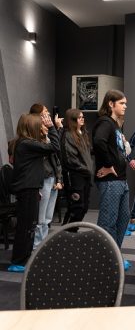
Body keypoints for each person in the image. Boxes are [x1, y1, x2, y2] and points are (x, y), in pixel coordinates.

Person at [8, 113, 59, 272]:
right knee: (26, 227)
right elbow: (54, 147)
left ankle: (24, 258)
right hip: (27, 189)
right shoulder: (26, 143)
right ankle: (18, 262)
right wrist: (52, 127)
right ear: (32, 127)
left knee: (29, 226)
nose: (42, 127)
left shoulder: (25, 143)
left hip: (30, 188)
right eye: (39, 125)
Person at [93, 89, 131, 271]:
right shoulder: (105, 122)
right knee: (108, 222)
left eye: (125, 103)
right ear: (111, 104)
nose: (125, 106)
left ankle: (113, 254)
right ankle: (105, 259)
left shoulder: (115, 125)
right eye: (122, 103)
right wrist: (108, 165)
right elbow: (98, 142)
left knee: (123, 219)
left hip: (121, 180)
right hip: (110, 181)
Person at [28, 104, 63, 250]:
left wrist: (59, 178)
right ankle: (37, 248)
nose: (48, 115)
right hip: (42, 179)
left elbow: (56, 155)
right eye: (45, 113)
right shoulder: (34, 135)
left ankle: (43, 247)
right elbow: (52, 149)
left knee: (48, 217)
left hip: (52, 178)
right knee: (40, 218)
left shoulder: (47, 133)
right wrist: (54, 129)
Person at [60, 109, 93, 226]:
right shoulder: (68, 135)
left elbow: (87, 153)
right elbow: (70, 159)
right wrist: (84, 168)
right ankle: (66, 232)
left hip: (85, 175)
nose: (82, 119)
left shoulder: (83, 134)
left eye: (83, 117)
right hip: (75, 175)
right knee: (76, 207)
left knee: (84, 207)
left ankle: (72, 231)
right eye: (79, 117)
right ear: (73, 120)